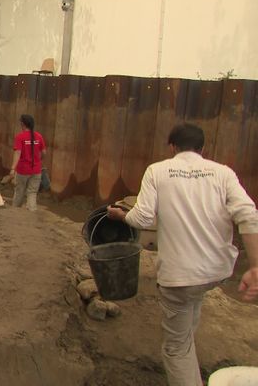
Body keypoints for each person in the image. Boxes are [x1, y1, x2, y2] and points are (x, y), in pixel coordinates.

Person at [107, 123, 258, 386]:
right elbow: (248, 215)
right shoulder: (223, 173)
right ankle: (187, 336)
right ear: (203, 148)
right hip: (215, 271)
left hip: (179, 276)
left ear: (172, 147)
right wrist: (255, 266)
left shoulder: (158, 170)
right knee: (191, 301)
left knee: (175, 348)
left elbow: (142, 217)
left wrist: (121, 216)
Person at [10, 114, 46, 211]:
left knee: (19, 191)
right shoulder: (39, 136)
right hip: (36, 170)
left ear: (22, 124)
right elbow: (43, 152)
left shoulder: (20, 137)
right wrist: (39, 160)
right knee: (32, 192)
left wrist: (13, 168)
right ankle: (31, 212)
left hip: (23, 170)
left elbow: (17, 153)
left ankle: (15, 212)